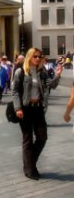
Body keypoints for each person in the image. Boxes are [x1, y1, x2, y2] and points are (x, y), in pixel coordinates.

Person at [12, 47, 63, 180]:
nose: (37, 59)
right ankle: (30, 169)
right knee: (28, 140)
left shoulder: (42, 72)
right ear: (29, 57)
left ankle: (29, 164)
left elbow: (52, 85)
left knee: (42, 137)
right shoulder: (21, 72)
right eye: (35, 56)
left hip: (38, 108)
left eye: (39, 56)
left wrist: (58, 74)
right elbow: (15, 91)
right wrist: (18, 108)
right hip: (25, 108)